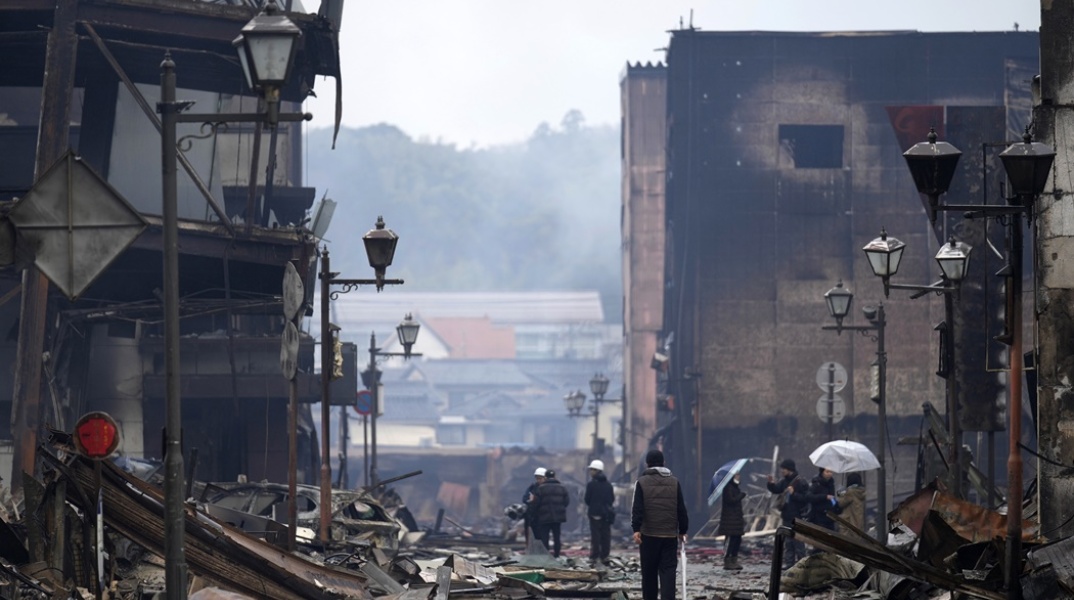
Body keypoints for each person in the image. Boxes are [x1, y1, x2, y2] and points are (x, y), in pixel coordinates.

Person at [631, 449, 689, 600]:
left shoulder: (641, 483)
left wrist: (636, 529)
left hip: (649, 535)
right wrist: (683, 530)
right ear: (664, 463)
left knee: (649, 573)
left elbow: (637, 508)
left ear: (647, 464)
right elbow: (681, 508)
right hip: (669, 535)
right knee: (668, 571)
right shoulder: (674, 482)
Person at [766, 458, 808, 567]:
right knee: (788, 542)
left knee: (798, 541)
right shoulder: (784, 481)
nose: (782, 471)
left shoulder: (800, 482)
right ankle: (789, 564)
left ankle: (802, 564)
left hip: (797, 517)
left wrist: (793, 494)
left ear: (790, 469)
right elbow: (776, 489)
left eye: (784, 469)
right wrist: (770, 484)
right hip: (786, 515)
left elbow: (806, 499)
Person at [584, 459, 615, 565]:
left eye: (592, 470)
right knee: (606, 535)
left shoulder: (591, 485)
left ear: (597, 471)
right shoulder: (608, 485)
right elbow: (611, 499)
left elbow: (587, 499)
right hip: (606, 514)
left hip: (594, 513)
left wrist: (593, 505)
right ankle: (605, 556)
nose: (590, 472)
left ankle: (594, 556)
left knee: (595, 536)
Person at [533, 468, 570, 557]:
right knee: (556, 537)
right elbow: (566, 501)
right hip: (558, 517)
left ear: (546, 477)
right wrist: (560, 508)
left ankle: (546, 555)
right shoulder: (562, 487)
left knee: (545, 537)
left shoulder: (540, 488)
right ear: (554, 476)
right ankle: (556, 555)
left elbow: (536, 503)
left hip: (544, 517)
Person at [717, 471, 746, 571]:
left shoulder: (735, 487)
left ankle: (734, 559)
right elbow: (731, 500)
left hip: (736, 519)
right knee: (730, 541)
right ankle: (728, 560)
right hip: (730, 520)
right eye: (737, 475)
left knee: (737, 540)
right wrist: (741, 496)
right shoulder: (727, 488)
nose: (739, 477)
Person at [804, 467, 838, 533]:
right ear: (822, 472)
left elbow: (832, 498)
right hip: (819, 517)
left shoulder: (831, 484)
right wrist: (824, 497)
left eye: (831, 472)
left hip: (830, 517)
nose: (829, 474)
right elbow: (808, 497)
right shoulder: (817, 483)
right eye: (827, 472)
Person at [523, 467, 547, 543]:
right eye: (537, 478)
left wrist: (535, 499)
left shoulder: (547, 488)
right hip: (533, 515)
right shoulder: (532, 487)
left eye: (540, 478)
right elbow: (525, 498)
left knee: (542, 535)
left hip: (543, 515)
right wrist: (529, 501)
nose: (538, 480)